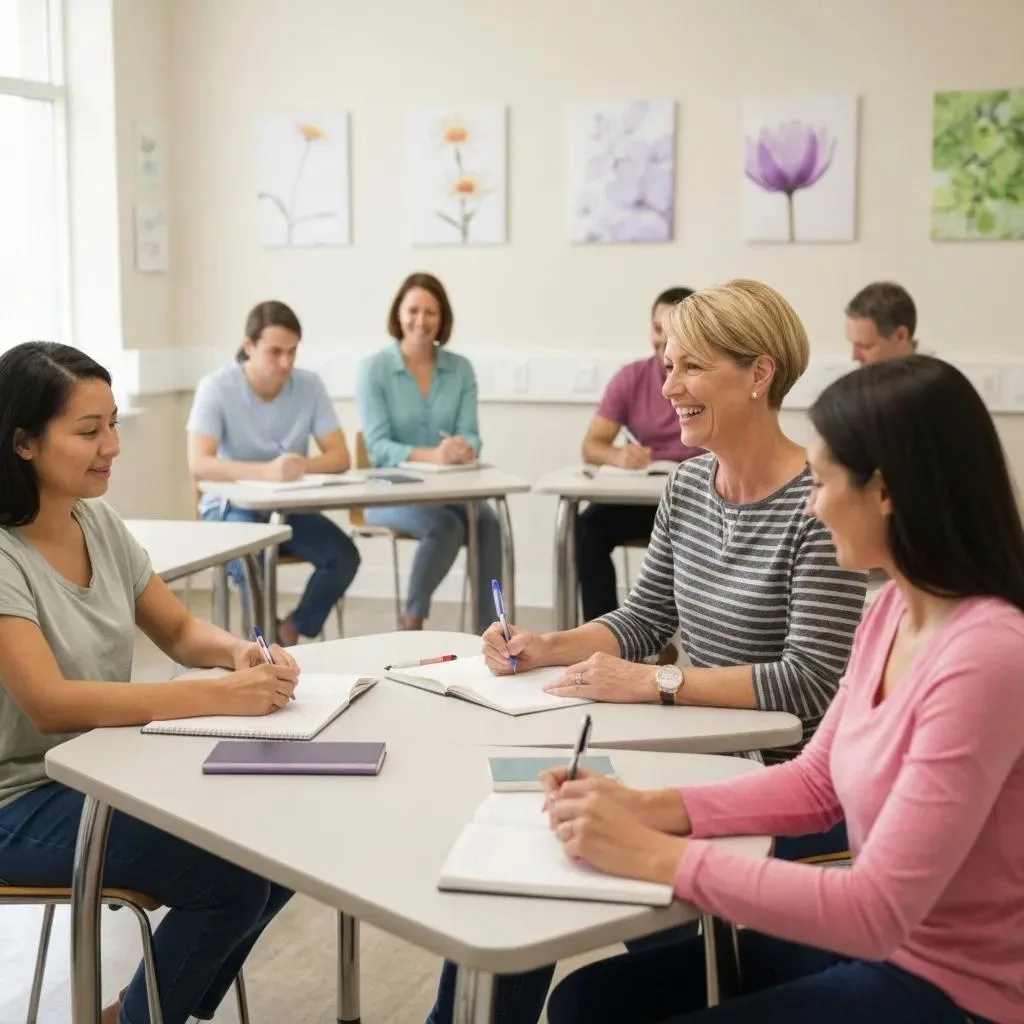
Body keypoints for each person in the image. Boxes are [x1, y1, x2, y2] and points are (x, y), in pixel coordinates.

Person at [426, 280, 867, 1024]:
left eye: (690, 368)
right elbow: (644, 615)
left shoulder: (817, 503)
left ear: (759, 375)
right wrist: (545, 644)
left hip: (784, 780)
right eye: (667, 365)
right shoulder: (690, 484)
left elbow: (808, 685)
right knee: (532, 830)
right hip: (689, 751)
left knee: (560, 847)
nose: (669, 388)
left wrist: (659, 681)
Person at [539, 354, 1021, 1024]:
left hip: (955, 991)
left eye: (823, 484)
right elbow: (817, 784)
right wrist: (648, 805)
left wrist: (650, 852)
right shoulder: (890, 613)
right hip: (886, 954)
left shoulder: (988, 656)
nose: (814, 505)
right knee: (585, 1002)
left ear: (884, 493)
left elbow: (875, 912)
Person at [0, 342, 300, 1024]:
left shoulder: (96, 521)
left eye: (112, 424)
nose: (112, 445)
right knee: (229, 880)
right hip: (19, 798)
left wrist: (239, 654)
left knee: (280, 841)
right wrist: (209, 695)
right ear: (23, 443)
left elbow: (178, 631)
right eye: (88, 430)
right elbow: (49, 705)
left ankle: (137, 1011)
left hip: (100, 772)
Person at [187, 300, 360, 646]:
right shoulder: (216, 387)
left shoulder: (309, 386)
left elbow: (340, 457)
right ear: (248, 346)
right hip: (229, 508)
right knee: (252, 557)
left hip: (288, 510)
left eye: (293, 352)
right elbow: (199, 464)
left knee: (343, 557)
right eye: (275, 352)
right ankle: (261, 645)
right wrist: (266, 471)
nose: (286, 362)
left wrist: (298, 467)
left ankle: (289, 631)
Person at [354, 272, 502, 632]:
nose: (421, 321)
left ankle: (492, 632)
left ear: (443, 318)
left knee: (488, 522)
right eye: (413, 310)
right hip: (387, 493)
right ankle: (412, 621)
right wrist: (432, 455)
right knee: (445, 526)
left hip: (449, 490)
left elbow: (473, 435)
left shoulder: (460, 369)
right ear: (398, 314)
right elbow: (377, 448)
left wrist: (463, 447)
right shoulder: (373, 369)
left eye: (431, 312)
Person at [576, 287, 705, 622]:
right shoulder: (631, 378)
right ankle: (602, 633)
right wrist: (618, 455)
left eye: (672, 329)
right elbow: (591, 445)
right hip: (644, 500)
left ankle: (670, 632)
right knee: (588, 526)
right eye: (657, 328)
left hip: (698, 501)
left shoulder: (711, 379)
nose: (662, 339)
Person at [844, 281, 918, 365]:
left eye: (866, 346)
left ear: (900, 337)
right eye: (853, 344)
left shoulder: (933, 376)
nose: (854, 357)